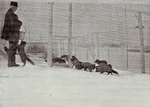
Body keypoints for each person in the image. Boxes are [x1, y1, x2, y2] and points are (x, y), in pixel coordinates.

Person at [1, 1, 22, 67]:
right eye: (16, 7)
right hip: (12, 35)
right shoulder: (12, 14)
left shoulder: (9, 13)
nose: (16, 9)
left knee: (12, 49)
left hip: (10, 34)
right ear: (13, 7)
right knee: (12, 49)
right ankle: (11, 63)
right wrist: (20, 23)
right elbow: (13, 24)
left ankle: (12, 63)